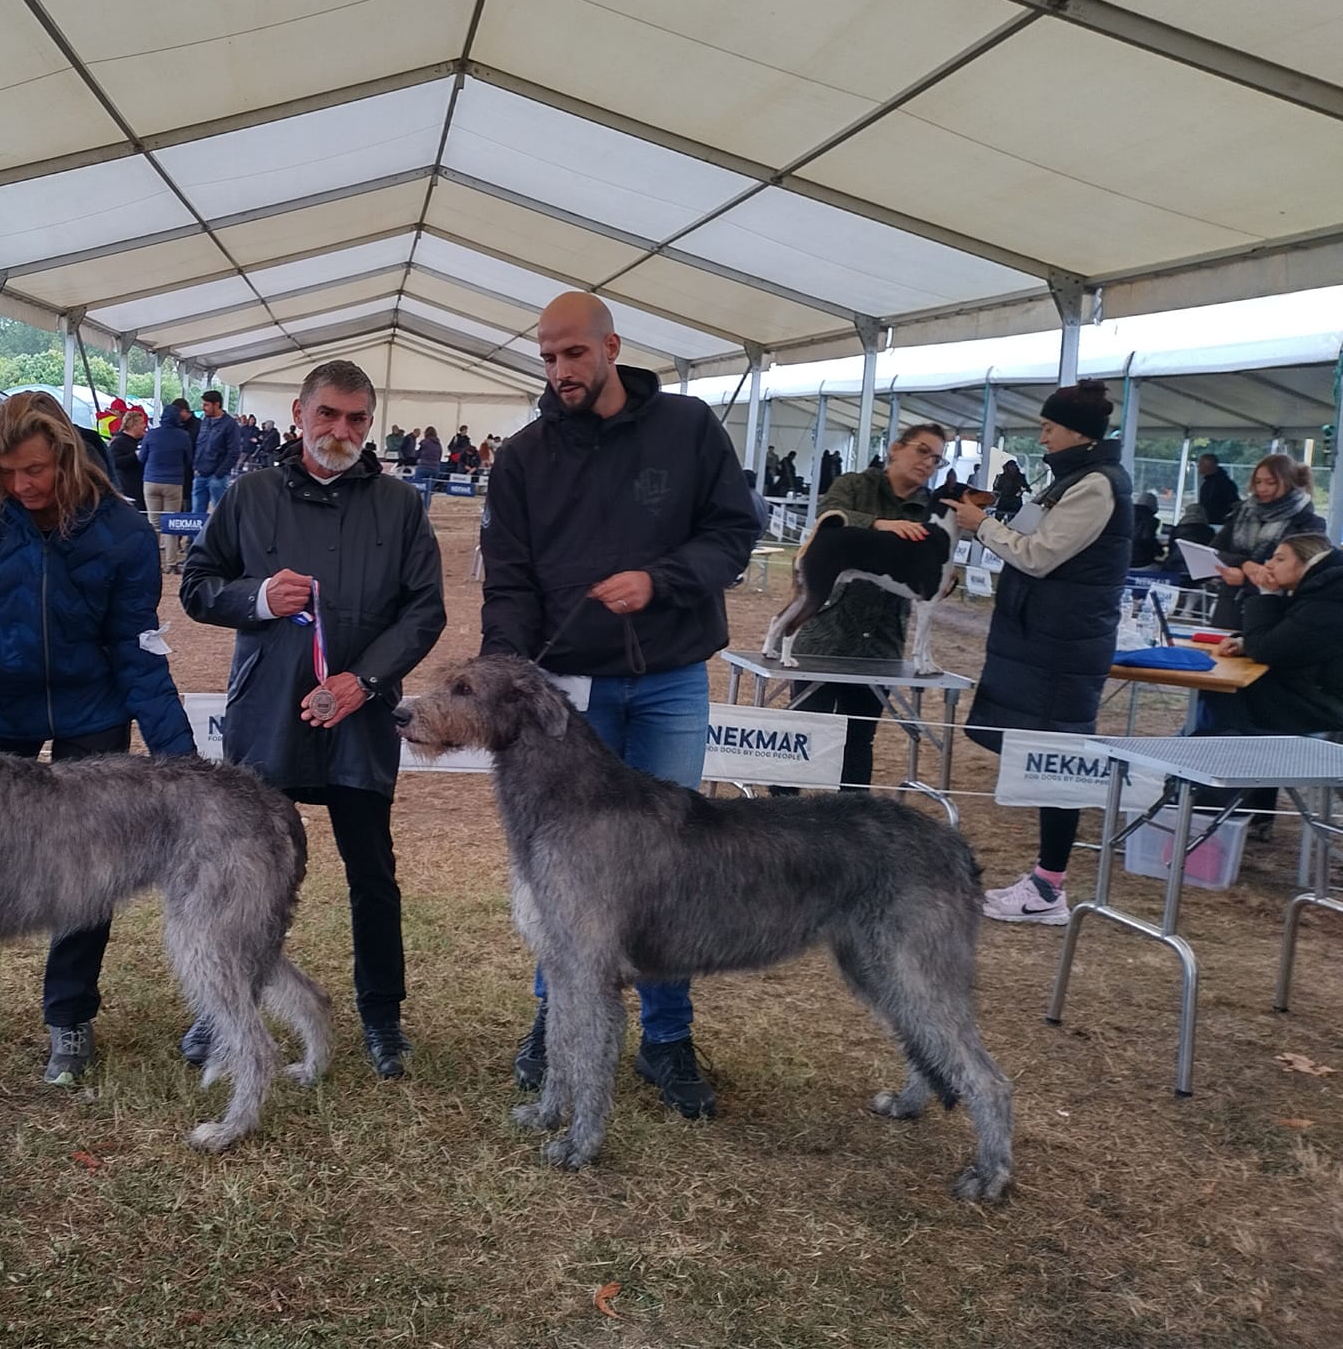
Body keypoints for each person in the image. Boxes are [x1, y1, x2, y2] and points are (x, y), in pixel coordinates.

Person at [480, 291, 761, 1118]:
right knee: (563, 874)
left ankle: (666, 1038)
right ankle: (558, 1026)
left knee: (668, 863)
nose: (559, 370)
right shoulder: (523, 457)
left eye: (573, 353)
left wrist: (660, 581)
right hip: (569, 696)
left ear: (610, 347)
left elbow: (732, 533)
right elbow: (509, 581)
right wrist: (508, 672)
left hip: (670, 677)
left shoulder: (688, 427)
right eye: (547, 357)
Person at [0, 391, 195, 1080]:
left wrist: (182, 764)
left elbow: (137, 651)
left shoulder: (122, 531)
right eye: (5, 472)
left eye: (34, 469)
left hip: (93, 714)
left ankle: (69, 1015)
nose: (21, 485)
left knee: (89, 871)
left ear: (65, 455)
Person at [181, 359, 445, 1079]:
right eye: (328, 413)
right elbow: (197, 586)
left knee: (373, 875)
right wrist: (258, 598)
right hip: (268, 713)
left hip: (359, 718)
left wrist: (365, 681)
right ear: (299, 414)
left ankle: (382, 1017)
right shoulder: (250, 494)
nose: (341, 430)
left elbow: (425, 611)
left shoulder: (400, 505)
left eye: (357, 418)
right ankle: (225, 1006)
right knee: (247, 877)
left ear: (371, 424)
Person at [942, 380, 1130, 924]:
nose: (1042, 437)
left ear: (1077, 432)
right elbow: (1030, 536)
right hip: (1046, 640)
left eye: (1049, 427)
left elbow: (1039, 555)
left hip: (1063, 645)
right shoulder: (1071, 480)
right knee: (1044, 756)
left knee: (1058, 762)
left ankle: (1048, 889)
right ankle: (1045, 883)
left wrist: (983, 526)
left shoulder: (1096, 486)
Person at [775, 423, 950, 794]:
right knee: (803, 732)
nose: (928, 463)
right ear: (895, 448)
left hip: (881, 645)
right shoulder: (854, 485)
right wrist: (879, 524)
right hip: (826, 636)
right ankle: (781, 814)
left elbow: (937, 565)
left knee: (858, 740)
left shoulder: (932, 509)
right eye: (922, 450)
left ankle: (854, 820)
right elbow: (828, 516)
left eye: (937, 459)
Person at [1195, 533, 1343, 838]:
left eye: (1280, 558)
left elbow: (1270, 649)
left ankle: (1212, 802)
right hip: (1315, 696)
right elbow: (1288, 636)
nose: (1269, 565)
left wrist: (1265, 594)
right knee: (1229, 701)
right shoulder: (1321, 590)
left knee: (1228, 700)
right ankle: (1234, 803)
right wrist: (1244, 641)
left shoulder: (1328, 599)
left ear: (1306, 562)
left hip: (1323, 709)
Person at [1211, 452, 1324, 626]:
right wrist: (1244, 564)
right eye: (1257, 482)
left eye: (1271, 483)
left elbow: (1302, 574)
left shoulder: (1309, 523)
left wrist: (1246, 579)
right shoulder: (1241, 512)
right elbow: (1214, 551)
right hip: (1230, 607)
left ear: (1290, 483)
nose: (1262, 489)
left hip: (1278, 610)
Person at [138, 403, 194, 573]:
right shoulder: (183, 436)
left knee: (153, 523)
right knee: (171, 523)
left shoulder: (151, 434)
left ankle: (153, 562)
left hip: (151, 481)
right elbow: (189, 459)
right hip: (173, 482)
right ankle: (171, 564)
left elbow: (142, 458)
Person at [190, 388, 239, 515]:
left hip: (217, 477)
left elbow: (234, 452)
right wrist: (195, 467)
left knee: (219, 513)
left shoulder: (230, 424)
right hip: (200, 474)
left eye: (206, 404)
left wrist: (219, 473)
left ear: (216, 404)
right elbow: (198, 445)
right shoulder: (205, 421)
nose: (203, 408)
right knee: (196, 514)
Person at [109, 406, 148, 509]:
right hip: (128, 488)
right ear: (133, 425)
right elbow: (114, 462)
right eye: (141, 423)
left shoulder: (143, 440)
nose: (144, 426)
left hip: (140, 487)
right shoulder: (119, 442)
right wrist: (134, 456)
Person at [1195, 453, 1238, 526]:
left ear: (1209, 465)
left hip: (1218, 523)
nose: (1198, 466)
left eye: (1201, 464)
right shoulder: (1212, 482)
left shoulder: (1221, 483)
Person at [1130, 490, 1166, 570]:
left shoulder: (1125, 516)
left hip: (1124, 562)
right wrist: (1160, 551)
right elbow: (1148, 539)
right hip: (1143, 563)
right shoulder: (1151, 521)